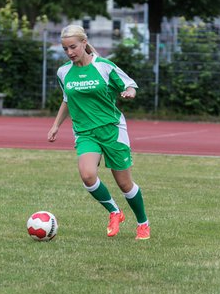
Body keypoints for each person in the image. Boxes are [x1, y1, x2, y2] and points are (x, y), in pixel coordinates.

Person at [48, 24, 150, 240]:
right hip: (85, 132)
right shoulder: (63, 72)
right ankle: (115, 212)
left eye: (73, 47)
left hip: (112, 130)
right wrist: (56, 125)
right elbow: (67, 99)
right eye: (65, 49)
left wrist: (129, 93)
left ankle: (143, 223)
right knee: (87, 175)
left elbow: (130, 84)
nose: (69, 53)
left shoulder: (104, 66)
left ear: (84, 43)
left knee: (124, 183)